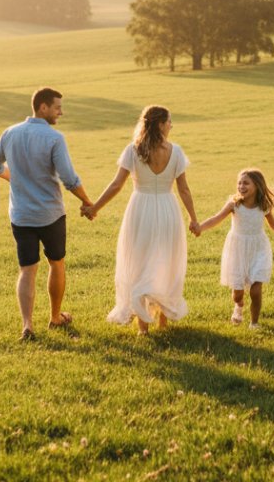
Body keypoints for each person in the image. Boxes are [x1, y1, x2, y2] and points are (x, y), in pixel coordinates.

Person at [0, 87, 93, 342]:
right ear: (43, 107)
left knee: (27, 269)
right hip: (50, 214)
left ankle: (27, 326)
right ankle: (55, 317)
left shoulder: (10, 133)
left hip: (21, 215)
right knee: (56, 264)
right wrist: (88, 201)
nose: (60, 113)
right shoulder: (54, 138)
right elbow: (69, 178)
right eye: (57, 108)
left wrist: (15, 179)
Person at [84, 105, 198, 335]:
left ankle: (143, 327)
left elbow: (117, 185)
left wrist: (94, 207)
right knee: (165, 260)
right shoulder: (175, 151)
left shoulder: (133, 150)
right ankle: (162, 321)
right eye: (169, 121)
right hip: (167, 208)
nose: (171, 126)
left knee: (139, 260)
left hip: (141, 209)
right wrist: (193, 219)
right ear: (159, 124)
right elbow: (183, 189)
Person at [197, 168, 274, 328]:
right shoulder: (234, 204)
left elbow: (273, 224)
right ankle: (239, 305)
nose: (241, 186)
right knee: (237, 294)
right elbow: (216, 218)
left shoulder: (263, 206)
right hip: (237, 249)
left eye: (246, 183)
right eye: (239, 183)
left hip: (258, 248)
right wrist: (200, 227)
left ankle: (254, 323)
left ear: (257, 185)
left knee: (256, 290)